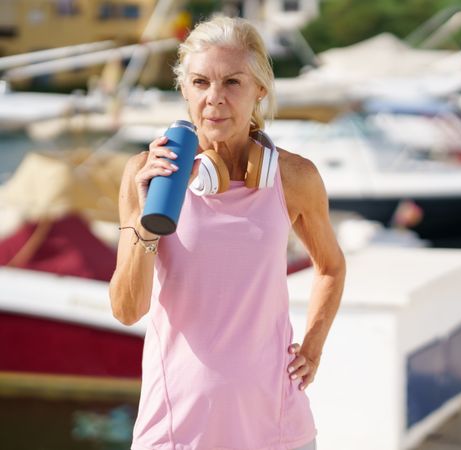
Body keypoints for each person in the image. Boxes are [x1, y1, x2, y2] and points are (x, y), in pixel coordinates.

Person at [109, 15, 346, 450]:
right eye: (200, 82)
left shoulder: (295, 178)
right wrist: (147, 220)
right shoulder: (144, 174)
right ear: (184, 89)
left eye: (232, 82)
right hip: (176, 426)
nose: (214, 99)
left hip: (277, 427)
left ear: (260, 89)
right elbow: (127, 310)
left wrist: (313, 345)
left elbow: (330, 266)